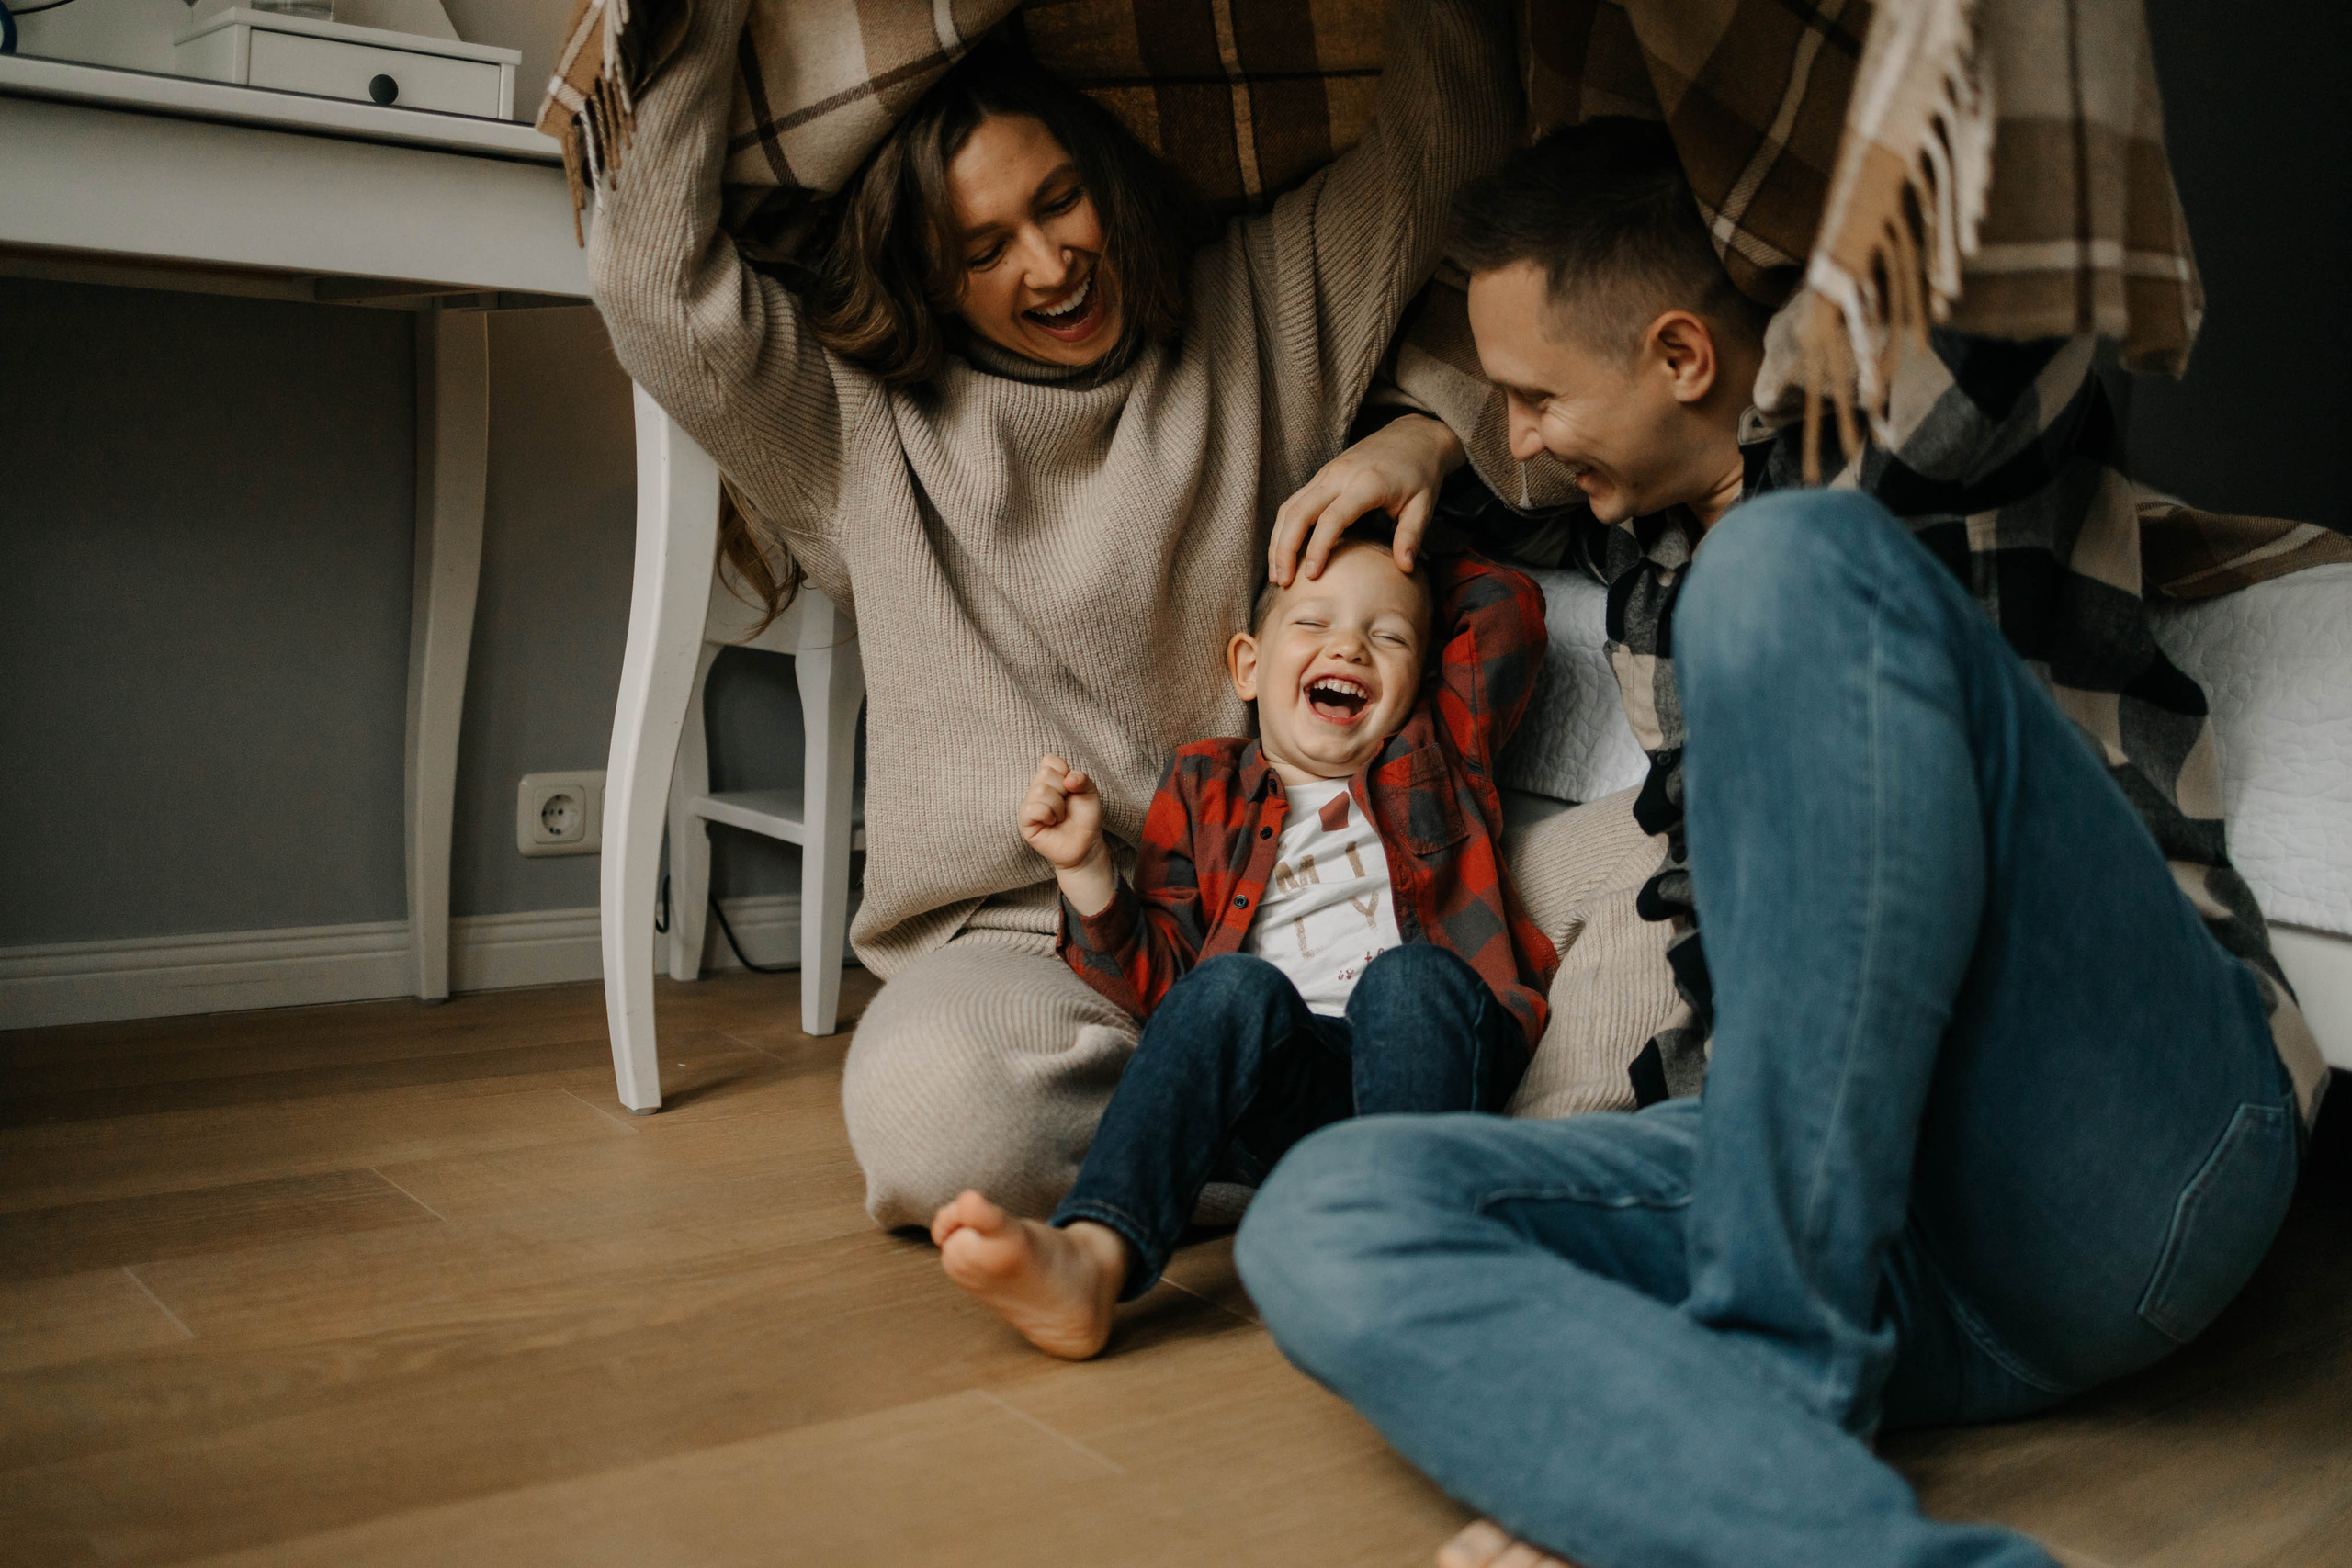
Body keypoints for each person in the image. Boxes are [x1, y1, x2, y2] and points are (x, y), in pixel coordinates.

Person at [1234, 119, 2327, 1568]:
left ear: (1686, 357)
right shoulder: (1641, 538)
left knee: (1779, 566)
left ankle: (1762, 1379)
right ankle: (1766, 1491)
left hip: (2106, 1155)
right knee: (1324, 1215)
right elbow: (1504, 467)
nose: (1522, 440)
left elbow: (2016, 226)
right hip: (1855, 1232)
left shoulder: (1942, 449)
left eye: (1534, 399)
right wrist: (1422, 430)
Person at [583, 0, 1520, 1226]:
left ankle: (1241, 1139)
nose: (1046, 263)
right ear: (927, 274)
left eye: (1059, 200)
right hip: (1022, 940)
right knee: (937, 1121)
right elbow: (649, 281)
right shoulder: (851, 424)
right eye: (980, 249)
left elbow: (1447, 144)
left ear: (1110, 181)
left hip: (1259, 913)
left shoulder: (1262, 304)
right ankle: (1342, 1146)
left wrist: (1429, 429)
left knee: (1577, 955)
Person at [930, 536, 1558, 1358]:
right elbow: (1167, 989)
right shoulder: (1201, 785)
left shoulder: (1437, 749)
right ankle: (1092, 1255)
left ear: (1424, 670)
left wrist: (1407, 498)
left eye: (1390, 635)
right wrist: (1084, 868)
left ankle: (1399, 1253)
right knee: (1228, 985)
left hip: (1428, 1057)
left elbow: (1508, 605)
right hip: (1290, 1087)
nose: (1348, 645)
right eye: (1315, 622)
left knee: (1404, 980)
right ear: (1248, 667)